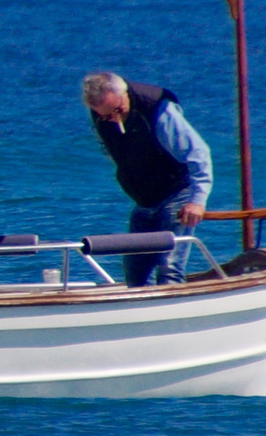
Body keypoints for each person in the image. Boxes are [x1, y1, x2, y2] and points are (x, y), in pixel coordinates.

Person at [81, 71, 213, 286]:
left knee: (169, 266)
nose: (113, 118)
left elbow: (198, 153)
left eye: (118, 110)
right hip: (144, 199)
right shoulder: (101, 114)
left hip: (176, 192)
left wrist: (197, 201)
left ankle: (171, 314)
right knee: (135, 271)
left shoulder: (158, 108)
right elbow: (110, 148)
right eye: (106, 116)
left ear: (124, 94)